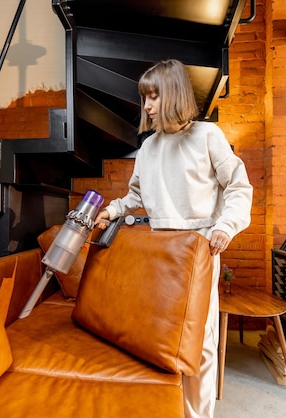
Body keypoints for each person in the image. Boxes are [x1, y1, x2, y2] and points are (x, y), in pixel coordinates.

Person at [93, 59, 253, 418]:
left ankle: (197, 414)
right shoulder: (148, 147)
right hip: (159, 252)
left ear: (173, 94)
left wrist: (226, 227)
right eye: (144, 98)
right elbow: (135, 195)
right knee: (159, 337)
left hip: (199, 249)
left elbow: (239, 186)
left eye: (153, 96)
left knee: (201, 342)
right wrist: (112, 210)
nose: (146, 105)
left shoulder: (208, 136)